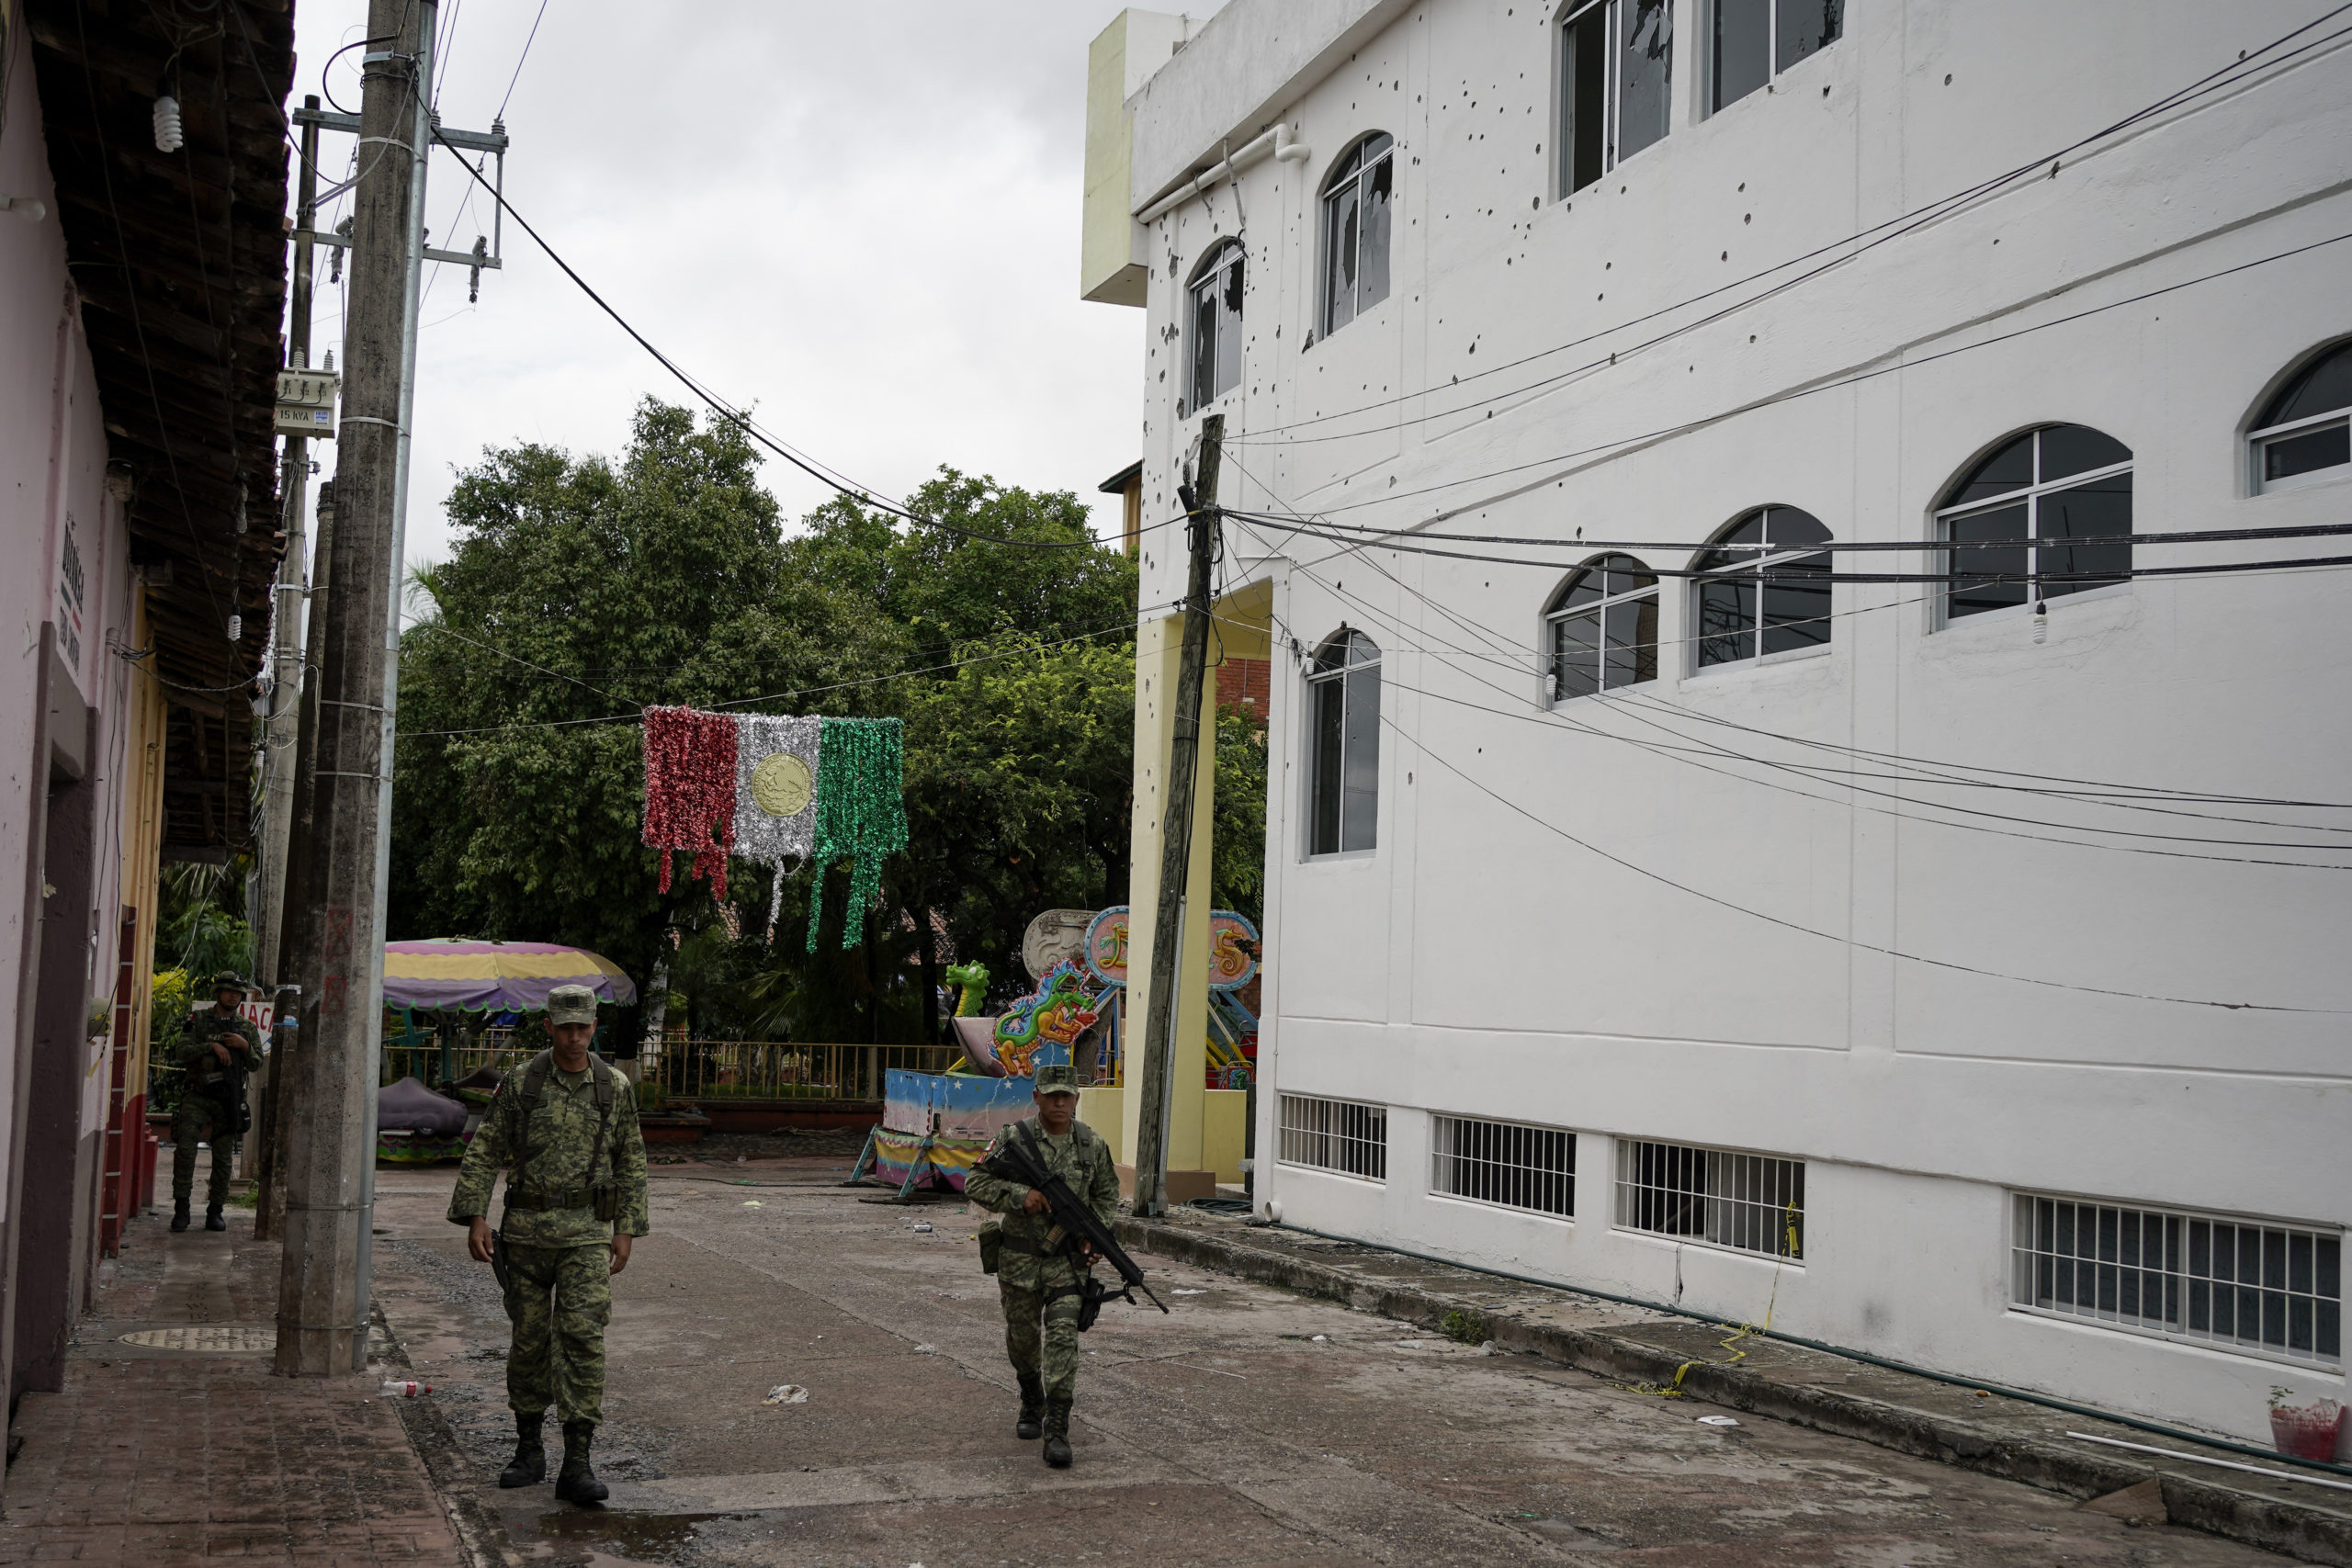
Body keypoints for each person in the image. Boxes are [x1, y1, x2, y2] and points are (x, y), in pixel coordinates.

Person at [447, 985, 649, 1505]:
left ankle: (577, 1462)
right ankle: (529, 1450)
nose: (575, 1037)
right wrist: (476, 1217)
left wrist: (626, 1229)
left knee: (582, 1340)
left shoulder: (615, 1087)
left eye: (583, 1027)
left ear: (595, 1026)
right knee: (529, 1342)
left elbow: (631, 1161)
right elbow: (487, 1146)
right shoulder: (523, 1082)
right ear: (549, 1026)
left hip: (585, 1236)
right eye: (566, 1027)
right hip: (526, 1237)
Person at [963, 1063, 1121, 1468]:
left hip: (1067, 1266)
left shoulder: (1092, 1145)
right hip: (1018, 1261)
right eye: (1051, 1095)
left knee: (1064, 1338)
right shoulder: (1013, 1138)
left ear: (1076, 1099)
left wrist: (1094, 1235)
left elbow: (1106, 1198)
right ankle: (1031, 1398)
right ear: (1037, 1097)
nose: (1060, 1102)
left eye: (1066, 1095)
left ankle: (1058, 1428)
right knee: (1023, 1339)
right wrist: (1020, 1195)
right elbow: (974, 1182)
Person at [171, 973, 259, 1233]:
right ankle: (181, 1208)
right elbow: (181, 1052)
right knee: (186, 1151)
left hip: (228, 1100)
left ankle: (215, 1211)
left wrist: (244, 1046)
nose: (233, 996)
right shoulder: (199, 1021)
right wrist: (212, 1045)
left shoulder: (246, 1028)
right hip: (197, 1096)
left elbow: (256, 1063)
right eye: (229, 991)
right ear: (218, 992)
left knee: (223, 1159)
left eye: (238, 993)